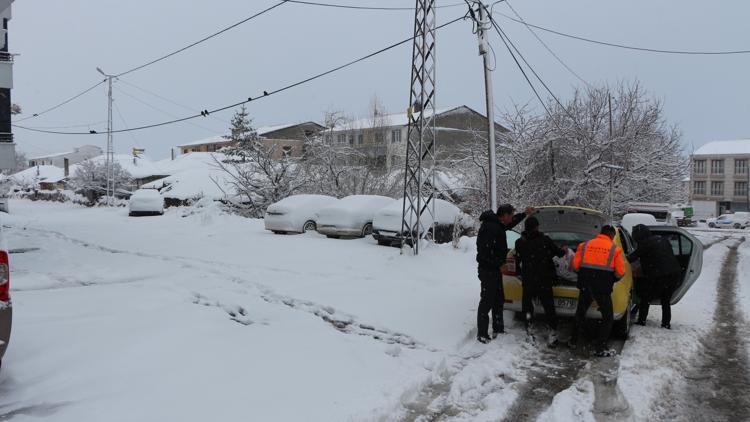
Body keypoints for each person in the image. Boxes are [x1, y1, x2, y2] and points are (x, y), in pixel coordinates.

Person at [475, 204, 533, 343]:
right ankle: (482, 334)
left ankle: (498, 329)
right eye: (511, 215)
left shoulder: (498, 225)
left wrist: (524, 214)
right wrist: (499, 264)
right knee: (487, 301)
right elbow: (484, 252)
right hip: (488, 270)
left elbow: (510, 224)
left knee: (498, 300)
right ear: (505, 215)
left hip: (494, 270)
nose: (512, 218)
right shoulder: (490, 228)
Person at [570, 225, 626, 357]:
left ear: (600, 233)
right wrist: (611, 279)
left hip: (585, 286)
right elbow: (620, 273)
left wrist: (584, 276)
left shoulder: (583, 246)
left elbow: (575, 266)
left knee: (580, 314)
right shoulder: (615, 250)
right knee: (608, 318)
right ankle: (600, 347)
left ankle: (573, 341)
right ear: (611, 236)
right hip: (602, 289)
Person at [514, 216, 567, 346]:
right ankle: (552, 333)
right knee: (549, 307)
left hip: (528, 279)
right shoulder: (545, 240)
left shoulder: (519, 242)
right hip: (544, 279)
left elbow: (517, 259)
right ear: (537, 227)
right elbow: (559, 253)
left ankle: (529, 330)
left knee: (527, 306)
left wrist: (520, 273)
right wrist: (564, 249)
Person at [628, 224, 682, 329]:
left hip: (658, 275)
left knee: (646, 297)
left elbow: (631, 258)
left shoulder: (645, 244)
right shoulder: (662, 239)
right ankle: (666, 324)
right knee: (665, 300)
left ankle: (642, 321)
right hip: (674, 273)